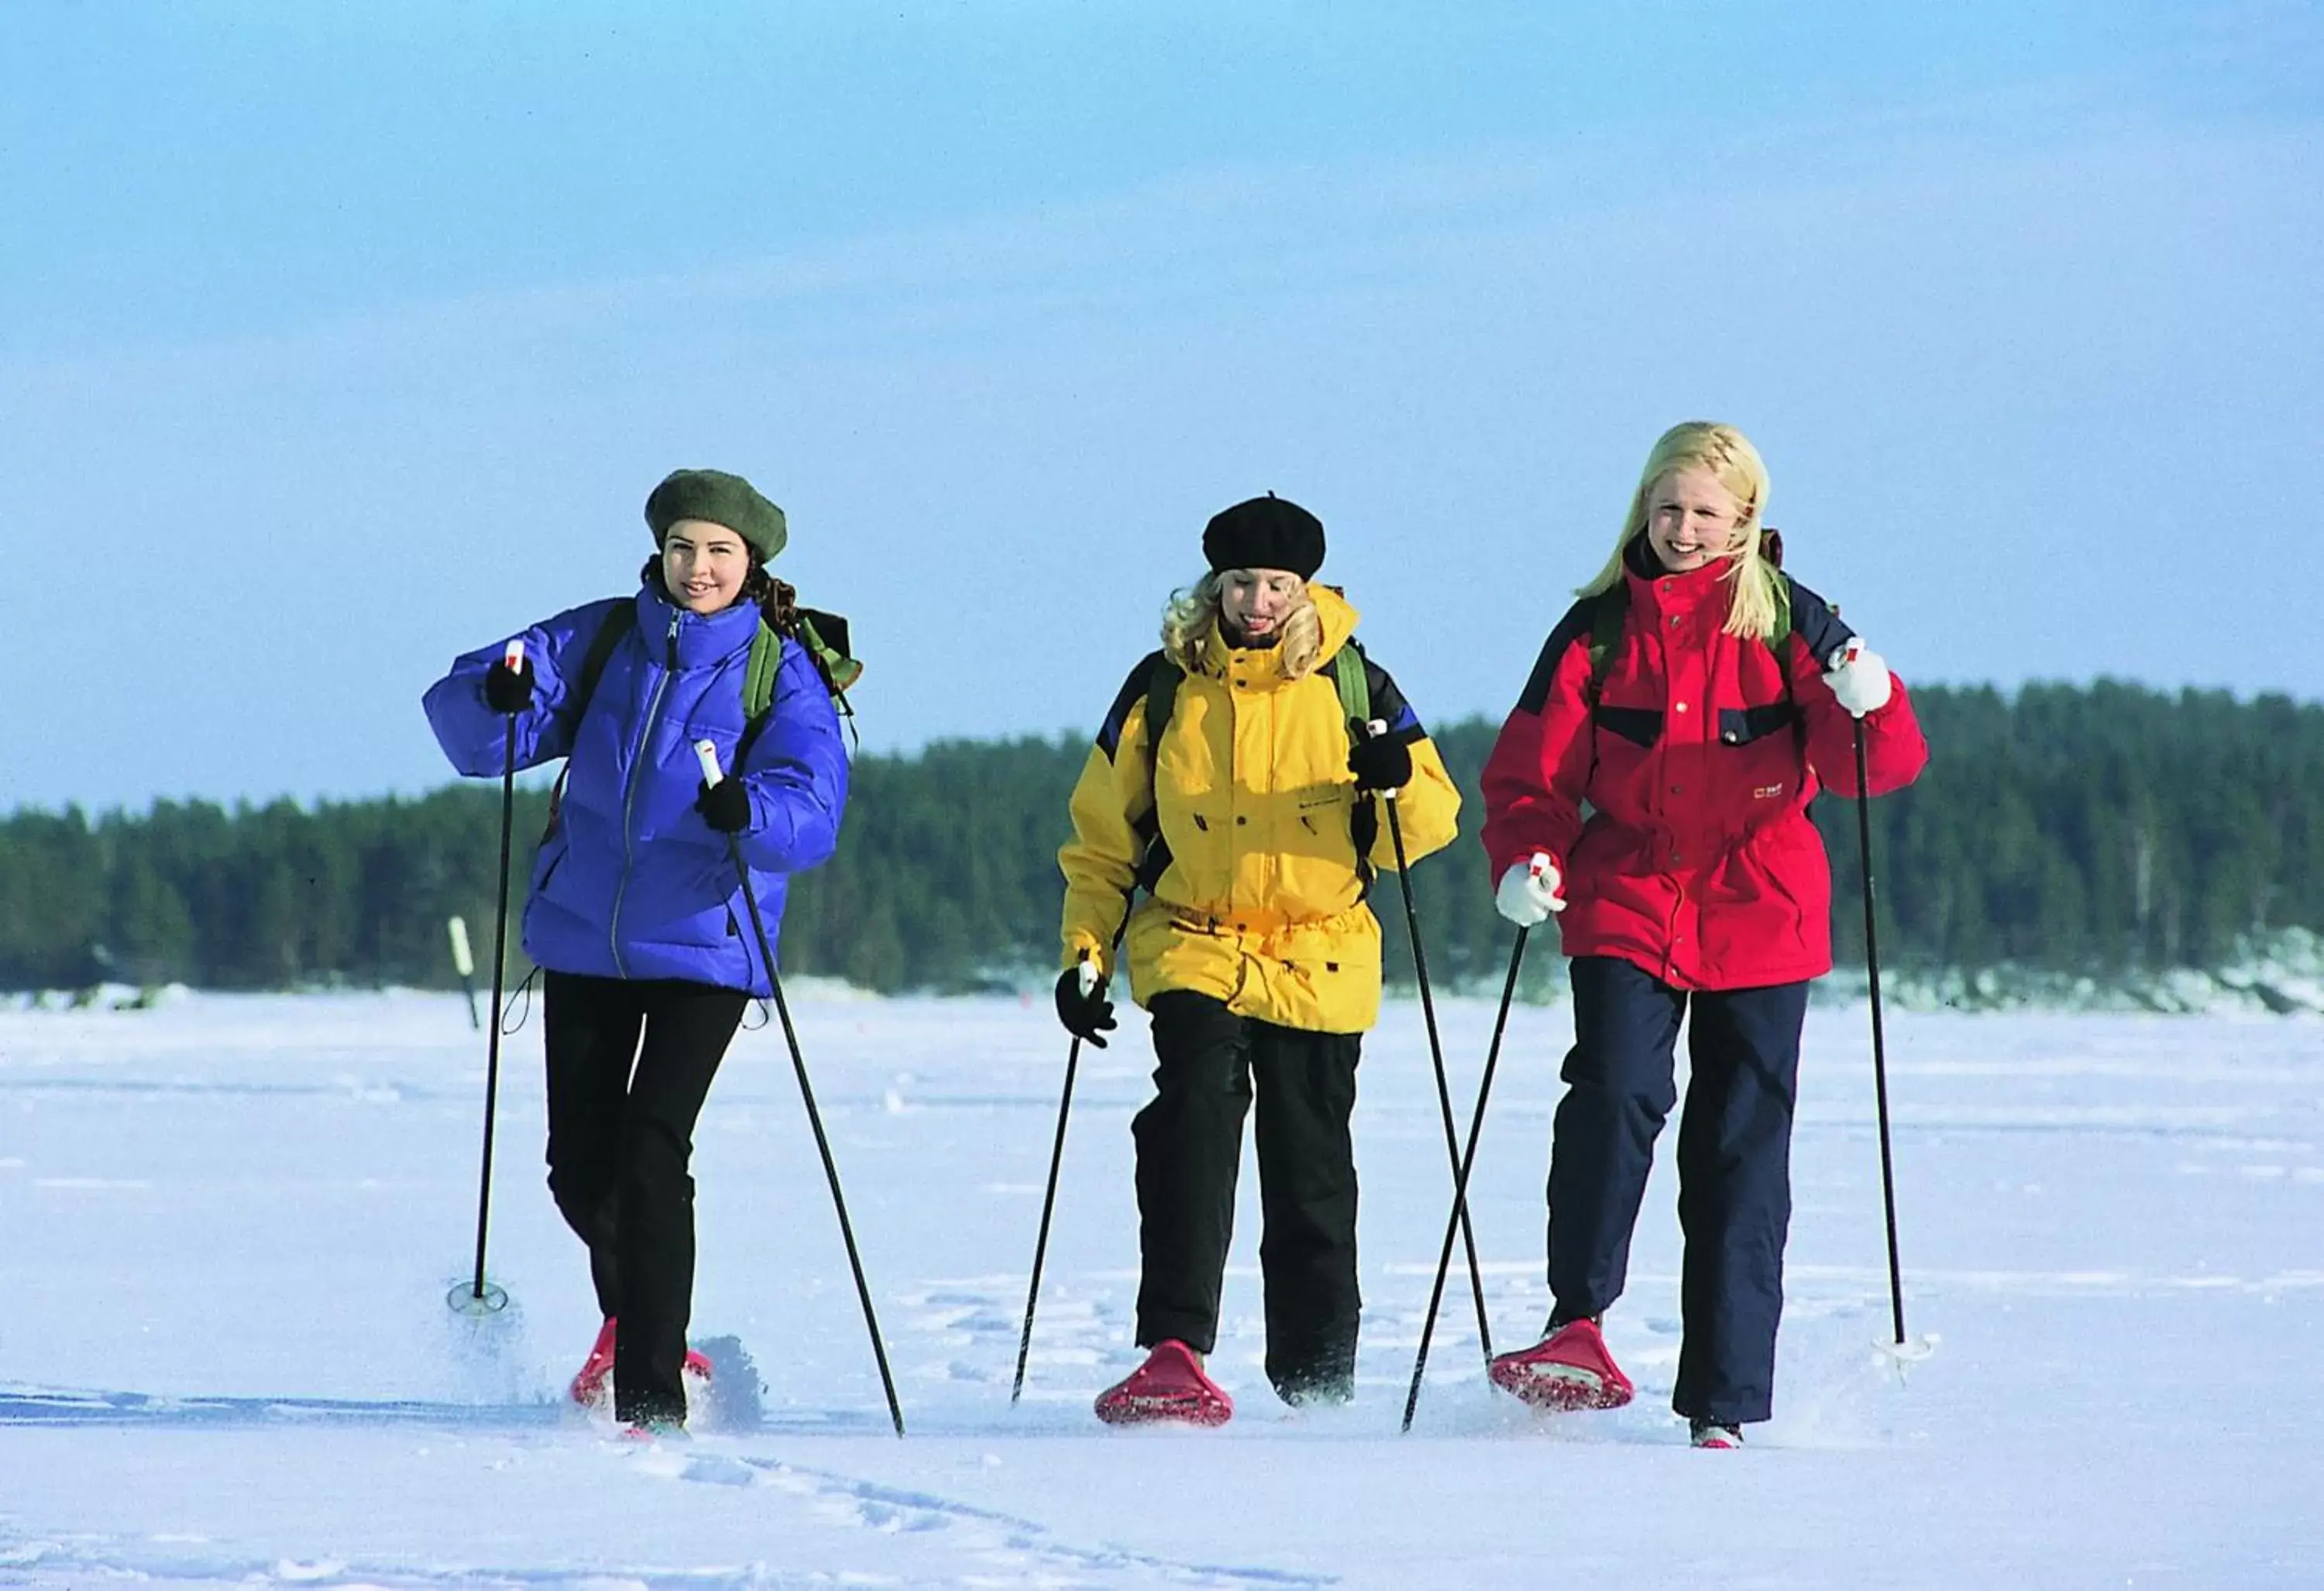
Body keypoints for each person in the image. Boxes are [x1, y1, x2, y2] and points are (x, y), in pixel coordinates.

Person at [1476, 421, 1927, 1448]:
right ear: (1645, 508)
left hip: (1762, 903)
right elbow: (1531, 775)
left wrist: (1874, 698)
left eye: (1705, 513)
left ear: (1745, 521)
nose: (1683, 528)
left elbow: (1873, 768)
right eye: (1668, 508)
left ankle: (1721, 1399)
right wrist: (1525, 858)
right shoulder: (1594, 631)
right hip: (1627, 890)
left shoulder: (1794, 627)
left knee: (1738, 1149)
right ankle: (1577, 1325)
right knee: (1614, 1089)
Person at [422, 468, 849, 1431]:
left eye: (720, 552)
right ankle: (639, 1318)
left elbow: (813, 806)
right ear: (661, 552)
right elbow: (479, 722)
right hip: (586, 938)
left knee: (653, 1151)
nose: (700, 568)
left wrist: (750, 808)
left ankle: (650, 1390)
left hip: (705, 942)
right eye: (684, 548)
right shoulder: (608, 634)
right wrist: (495, 694)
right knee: (579, 1166)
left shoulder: (780, 667)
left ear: (753, 563)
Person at [1055, 493, 1462, 1424]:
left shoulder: (1355, 682)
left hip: (1321, 955)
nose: (1260, 601)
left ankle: (1319, 1386)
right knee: (1191, 1121)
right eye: (1243, 582)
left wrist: (1394, 783)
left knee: (1310, 1166)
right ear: (1215, 585)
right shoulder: (1163, 686)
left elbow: (1429, 825)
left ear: (1305, 587)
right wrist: (1085, 954)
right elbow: (1101, 841)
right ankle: (1173, 1348)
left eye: (1278, 583)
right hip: (1193, 940)